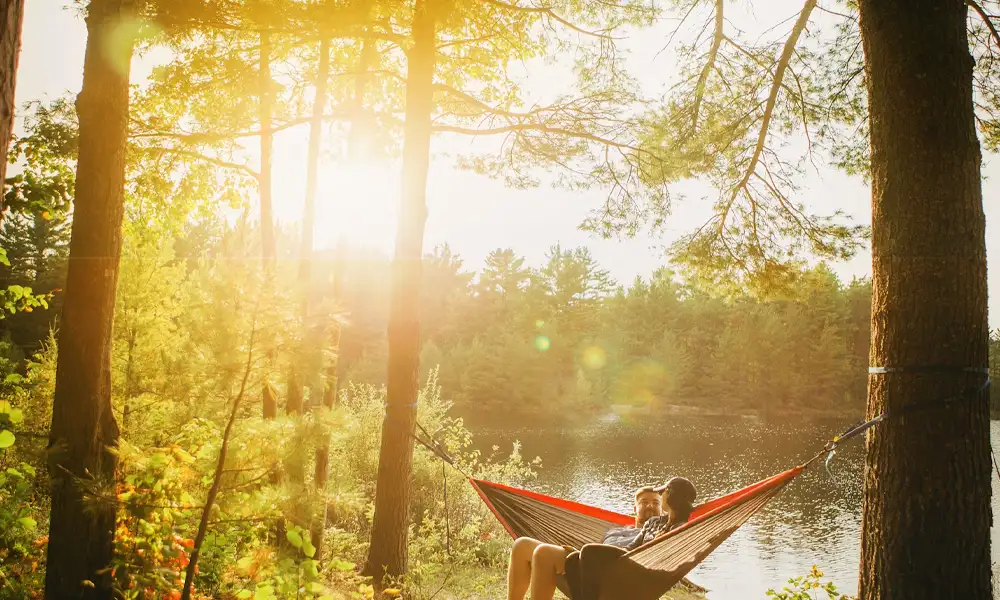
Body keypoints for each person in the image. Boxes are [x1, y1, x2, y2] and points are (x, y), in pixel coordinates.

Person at [505, 485, 663, 600]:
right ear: (635, 508)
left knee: (543, 552)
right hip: (586, 561)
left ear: (663, 510)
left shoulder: (658, 532)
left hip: (616, 579)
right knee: (522, 545)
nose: (650, 505)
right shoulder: (616, 529)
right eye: (644, 502)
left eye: (656, 503)